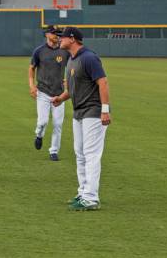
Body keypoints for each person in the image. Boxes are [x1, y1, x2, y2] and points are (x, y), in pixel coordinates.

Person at [51, 27, 111, 211]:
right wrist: (61, 98)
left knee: (91, 154)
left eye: (62, 37)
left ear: (72, 38)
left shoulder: (88, 57)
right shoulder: (72, 60)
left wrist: (105, 110)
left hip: (93, 111)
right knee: (80, 153)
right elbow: (72, 89)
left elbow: (103, 82)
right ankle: (84, 192)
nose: (59, 40)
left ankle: (91, 198)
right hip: (78, 112)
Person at [29, 25, 69, 161]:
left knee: (58, 124)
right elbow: (31, 69)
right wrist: (32, 86)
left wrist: (67, 80)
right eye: (54, 33)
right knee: (43, 122)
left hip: (59, 94)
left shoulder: (64, 51)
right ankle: (39, 135)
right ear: (47, 34)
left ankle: (54, 150)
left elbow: (71, 67)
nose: (56, 36)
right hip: (43, 92)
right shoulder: (39, 51)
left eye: (58, 33)